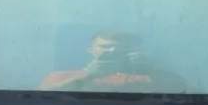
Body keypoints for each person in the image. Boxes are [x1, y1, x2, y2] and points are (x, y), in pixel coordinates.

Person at [39, 30, 188, 93]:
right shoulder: (60, 77)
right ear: (90, 50)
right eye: (105, 47)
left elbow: (182, 93)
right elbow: (43, 100)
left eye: (121, 48)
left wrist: (150, 69)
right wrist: (88, 74)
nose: (112, 51)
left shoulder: (150, 77)